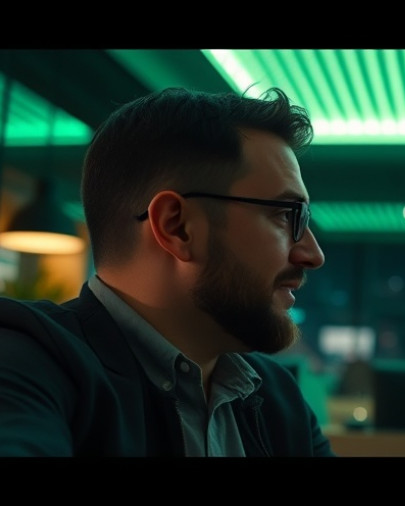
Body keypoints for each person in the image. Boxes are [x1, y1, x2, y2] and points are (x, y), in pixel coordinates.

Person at [0, 87, 336, 456]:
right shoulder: (25, 363)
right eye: (287, 215)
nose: (312, 254)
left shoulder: (277, 400)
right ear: (176, 227)